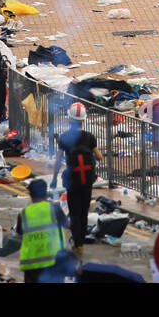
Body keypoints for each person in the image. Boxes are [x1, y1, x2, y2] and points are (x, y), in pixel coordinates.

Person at [51, 102, 104, 254]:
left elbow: (58, 160)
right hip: (87, 179)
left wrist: (54, 178)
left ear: (69, 118)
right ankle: (80, 242)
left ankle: (78, 243)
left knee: (74, 211)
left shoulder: (65, 137)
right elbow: (99, 157)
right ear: (83, 119)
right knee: (83, 211)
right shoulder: (89, 137)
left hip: (72, 179)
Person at [17, 178, 70, 283]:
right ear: (46, 193)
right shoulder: (54, 208)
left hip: (31, 264)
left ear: (31, 195)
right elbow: (68, 224)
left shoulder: (23, 213)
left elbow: (19, 232)